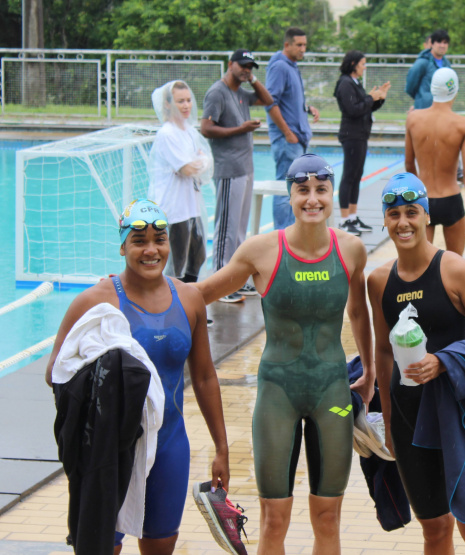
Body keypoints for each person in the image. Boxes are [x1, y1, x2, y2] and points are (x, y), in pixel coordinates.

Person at [193, 154, 374, 555]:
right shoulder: (261, 250)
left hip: (331, 392)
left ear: (332, 194)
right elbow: (202, 293)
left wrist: (370, 370)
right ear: (289, 196)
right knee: (273, 519)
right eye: (302, 190)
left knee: (328, 517)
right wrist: (141, 289)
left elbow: (359, 311)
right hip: (278, 393)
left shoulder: (351, 250)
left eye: (321, 190)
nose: (312, 199)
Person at [45, 199, 230, 555]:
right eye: (139, 241)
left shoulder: (189, 299)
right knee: (102, 547)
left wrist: (221, 448)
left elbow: (205, 378)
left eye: (159, 240)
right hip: (110, 451)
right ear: (122, 246)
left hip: (169, 444)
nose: (151, 250)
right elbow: (56, 372)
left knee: (160, 546)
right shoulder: (96, 303)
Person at [367, 173, 465, 555]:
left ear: (426, 216)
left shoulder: (454, 269)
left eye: (411, 212)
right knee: (435, 531)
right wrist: (389, 422)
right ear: (385, 220)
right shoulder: (378, 280)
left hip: (457, 418)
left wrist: (444, 361)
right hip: (409, 421)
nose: (403, 222)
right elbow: (383, 352)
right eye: (394, 214)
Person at [201, 49, 281, 303]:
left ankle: (235, 279)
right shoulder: (217, 92)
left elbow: (268, 100)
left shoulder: (241, 93)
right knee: (226, 228)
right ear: (230, 64)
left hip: (245, 168)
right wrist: (241, 129)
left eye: (251, 67)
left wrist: (253, 80)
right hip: (229, 168)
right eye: (243, 65)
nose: (247, 70)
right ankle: (220, 283)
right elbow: (206, 128)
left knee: (238, 229)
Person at [404, 68, 465, 255]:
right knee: (455, 263)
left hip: (423, 199)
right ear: (455, 90)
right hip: (451, 199)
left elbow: (409, 164)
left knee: (421, 264)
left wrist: (413, 200)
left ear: (432, 89)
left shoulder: (413, 119)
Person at [147, 80, 213, 284]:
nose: (186, 105)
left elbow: (200, 162)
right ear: (168, 104)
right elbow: (187, 168)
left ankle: (188, 297)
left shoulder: (188, 131)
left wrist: (201, 161)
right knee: (177, 263)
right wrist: (202, 161)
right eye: (180, 101)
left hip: (191, 205)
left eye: (188, 100)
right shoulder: (167, 134)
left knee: (197, 256)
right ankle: (172, 300)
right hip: (175, 209)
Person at [266, 27, 320, 231]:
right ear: (287, 45)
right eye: (299, 45)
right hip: (287, 141)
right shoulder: (280, 67)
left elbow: (288, 100)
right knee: (285, 189)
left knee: (296, 188)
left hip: (298, 139)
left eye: (305, 45)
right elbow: (270, 103)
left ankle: (292, 233)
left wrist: (307, 108)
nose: (303, 49)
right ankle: (281, 235)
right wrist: (287, 133)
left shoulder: (292, 66)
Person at [333, 49, 390, 236]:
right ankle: (343, 220)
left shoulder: (355, 83)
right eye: (362, 64)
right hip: (351, 135)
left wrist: (379, 98)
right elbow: (353, 109)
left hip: (361, 135)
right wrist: (370, 98)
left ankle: (352, 216)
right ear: (353, 64)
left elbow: (365, 107)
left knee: (357, 176)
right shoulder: (345, 83)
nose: (364, 68)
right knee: (349, 176)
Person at [405, 29, 451, 110]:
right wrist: (422, 98)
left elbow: (450, 86)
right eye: (439, 42)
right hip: (424, 110)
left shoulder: (447, 64)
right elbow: (410, 87)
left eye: (445, 43)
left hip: (442, 110)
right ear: (432, 44)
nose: (442, 46)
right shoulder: (422, 63)